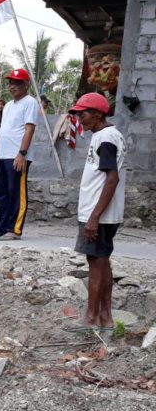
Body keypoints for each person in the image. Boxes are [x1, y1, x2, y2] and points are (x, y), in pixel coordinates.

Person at [64, 93, 125, 333]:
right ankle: (104, 317)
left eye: (83, 113)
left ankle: (91, 318)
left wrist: (94, 217)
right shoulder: (105, 135)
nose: (80, 118)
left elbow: (112, 179)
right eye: (78, 113)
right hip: (101, 213)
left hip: (99, 214)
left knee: (96, 263)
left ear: (98, 114)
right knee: (101, 260)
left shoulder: (106, 138)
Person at [0, 68, 40, 241]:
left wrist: (22, 154)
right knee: (1, 192)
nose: (12, 86)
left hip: (18, 155)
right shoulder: (7, 105)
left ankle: (14, 229)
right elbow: (2, 131)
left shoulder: (30, 102)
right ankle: (0, 228)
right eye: (10, 83)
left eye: (17, 83)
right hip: (3, 154)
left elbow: (29, 129)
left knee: (16, 192)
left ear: (26, 84)